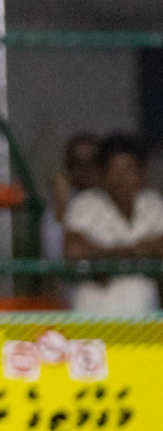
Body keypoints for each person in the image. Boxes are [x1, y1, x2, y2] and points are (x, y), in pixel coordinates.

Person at [62, 134, 163, 315]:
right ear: (102, 174)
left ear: (142, 173)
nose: (121, 179)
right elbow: (74, 250)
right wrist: (135, 253)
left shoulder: (153, 205)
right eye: (114, 171)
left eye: (128, 170)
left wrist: (111, 257)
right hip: (96, 323)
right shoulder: (85, 204)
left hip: (146, 322)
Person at [41, 133, 101, 262]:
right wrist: (63, 206)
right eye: (77, 163)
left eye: (91, 162)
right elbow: (55, 258)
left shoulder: (114, 201)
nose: (85, 170)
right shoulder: (58, 208)